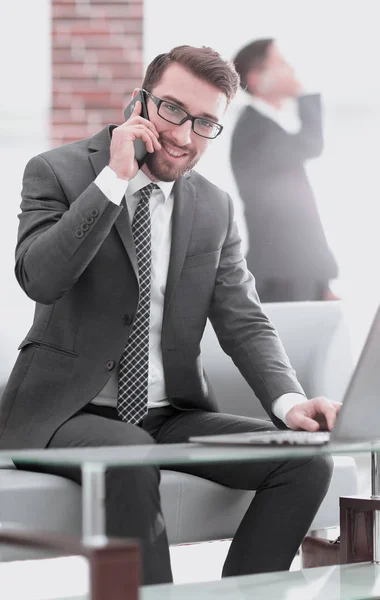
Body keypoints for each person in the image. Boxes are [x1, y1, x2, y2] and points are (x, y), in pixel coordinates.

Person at [0, 45, 340, 586]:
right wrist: (112, 179)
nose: (183, 136)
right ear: (139, 100)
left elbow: (243, 319)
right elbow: (39, 278)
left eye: (205, 123)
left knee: (305, 462)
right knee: (131, 454)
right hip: (63, 411)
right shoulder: (57, 172)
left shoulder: (214, 207)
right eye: (172, 110)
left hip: (168, 413)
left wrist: (290, 402)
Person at [231, 39, 339, 302]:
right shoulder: (254, 130)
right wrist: (303, 94)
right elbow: (312, 144)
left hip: (296, 272)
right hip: (282, 277)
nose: (290, 67)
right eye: (279, 62)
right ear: (257, 80)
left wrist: (321, 281)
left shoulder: (267, 128)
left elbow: (299, 209)